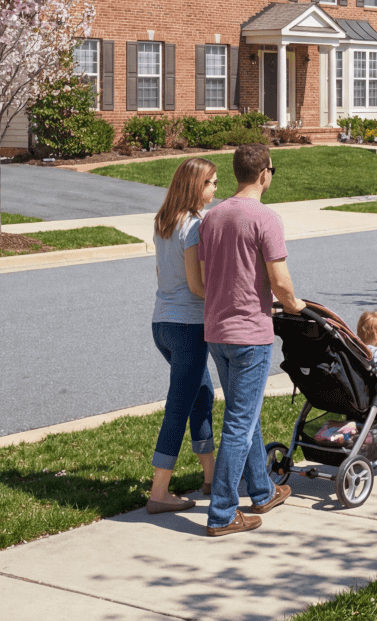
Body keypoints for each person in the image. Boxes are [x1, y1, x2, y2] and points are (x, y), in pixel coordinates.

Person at [198, 143, 305, 537]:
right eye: (272, 172)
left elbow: (208, 278)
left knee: (247, 413)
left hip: (217, 332)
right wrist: (295, 305)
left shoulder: (212, 218)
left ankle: (261, 491)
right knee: (240, 424)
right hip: (250, 335)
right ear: (264, 174)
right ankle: (223, 513)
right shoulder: (265, 218)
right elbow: (279, 281)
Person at [144, 157, 220, 515]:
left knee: (201, 394)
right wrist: (229, 296)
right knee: (178, 407)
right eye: (211, 183)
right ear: (195, 186)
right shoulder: (192, 226)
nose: (215, 189)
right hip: (189, 327)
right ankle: (159, 492)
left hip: (163, 324)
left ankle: (211, 477)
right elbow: (196, 285)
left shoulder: (164, 221)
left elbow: (163, 273)